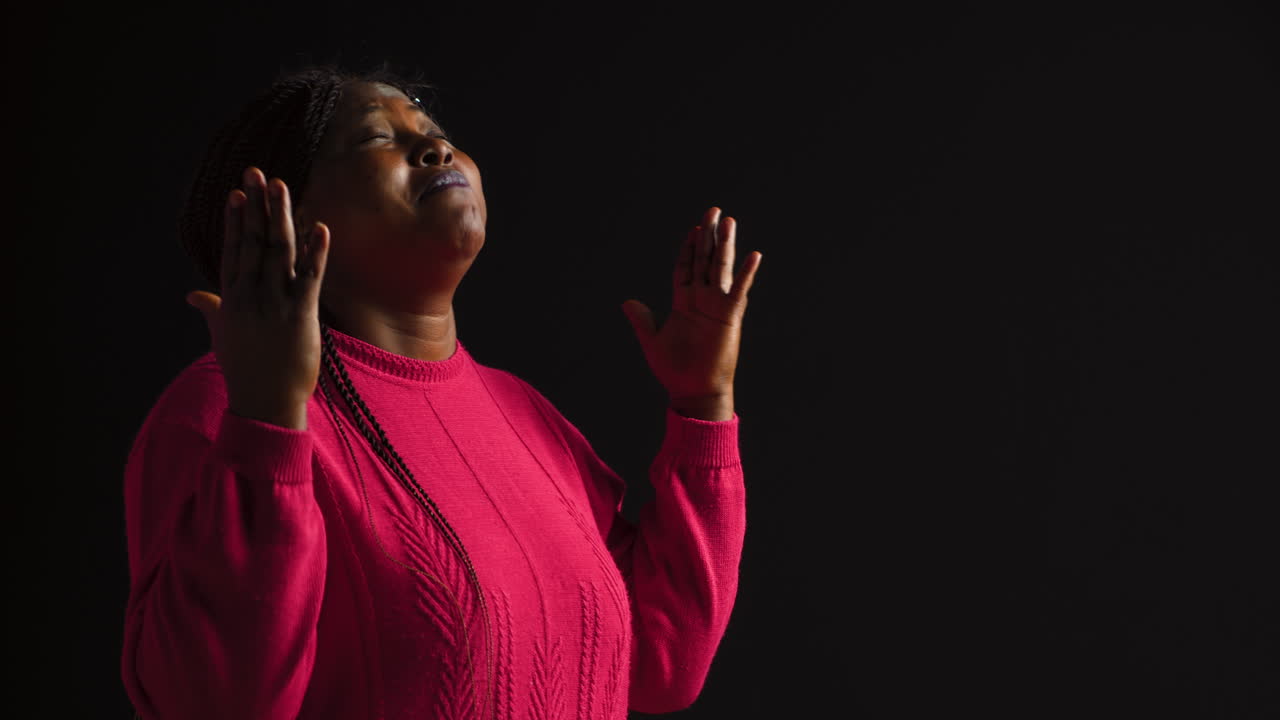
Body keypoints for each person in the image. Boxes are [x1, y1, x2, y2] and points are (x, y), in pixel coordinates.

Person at [120, 65, 762, 720]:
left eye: (433, 130)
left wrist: (703, 405)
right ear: (288, 214)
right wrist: (266, 423)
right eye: (376, 138)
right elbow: (212, 701)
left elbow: (662, 665)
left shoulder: (521, 412)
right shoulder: (224, 408)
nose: (435, 148)